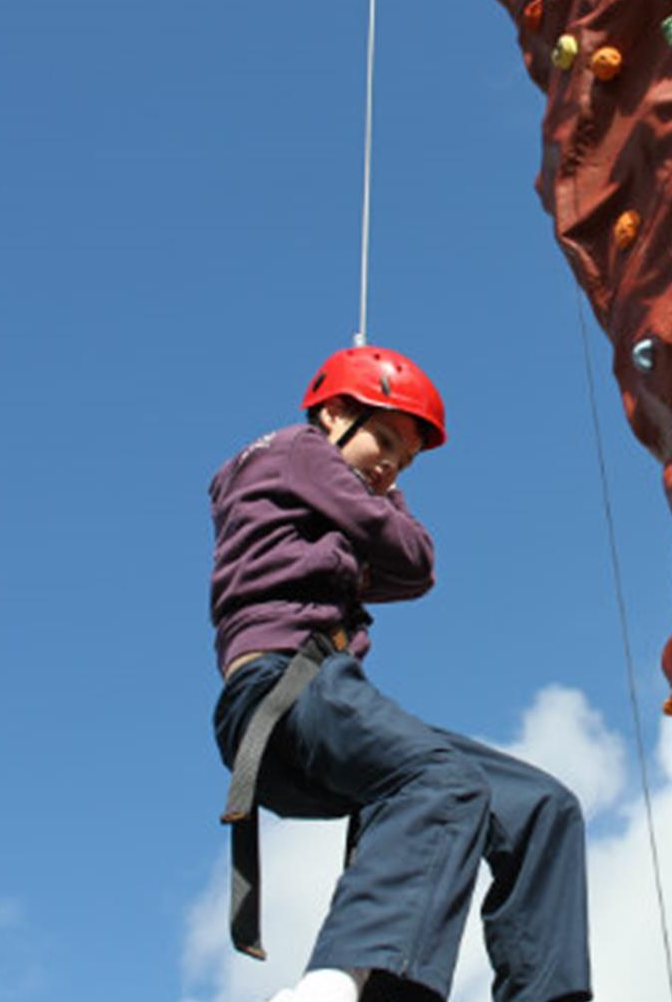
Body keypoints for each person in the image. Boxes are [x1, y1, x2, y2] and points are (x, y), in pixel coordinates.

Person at [208, 345, 593, 1002]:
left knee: (541, 807)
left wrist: (365, 524)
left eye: (404, 461)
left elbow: (412, 570)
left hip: (326, 699)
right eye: (383, 440)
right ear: (333, 413)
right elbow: (412, 555)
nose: (389, 466)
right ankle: (340, 985)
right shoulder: (299, 451)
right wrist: (374, 519)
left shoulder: (316, 497)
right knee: (442, 780)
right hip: (283, 690)